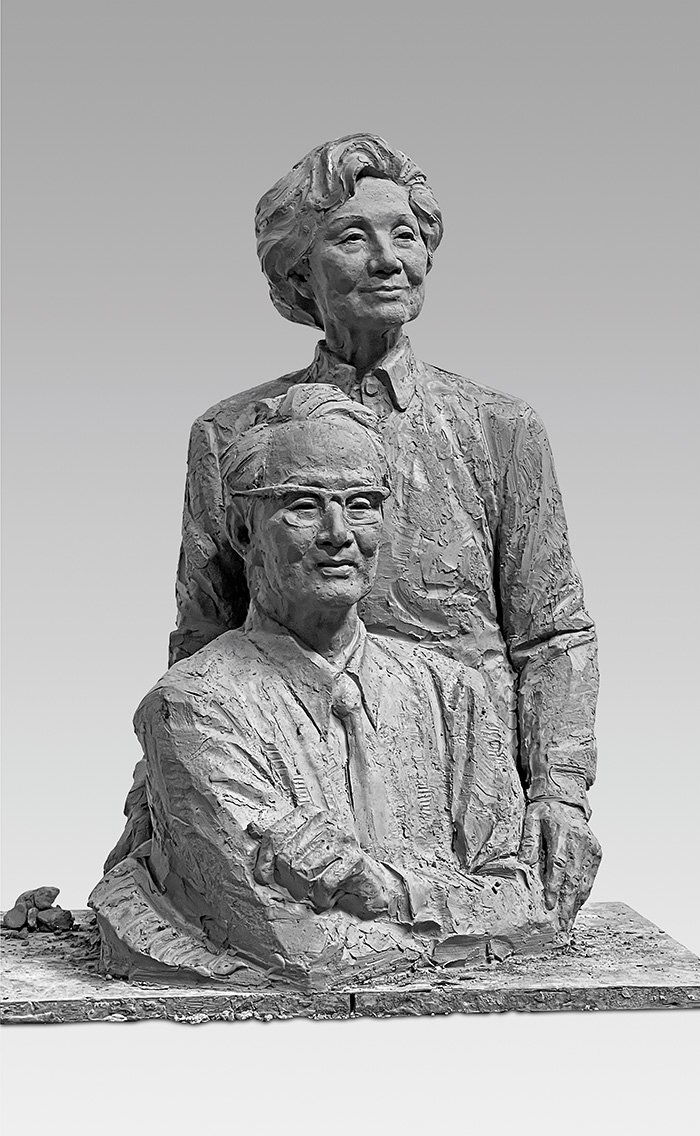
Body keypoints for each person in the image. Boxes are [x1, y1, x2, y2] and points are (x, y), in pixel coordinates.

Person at [169, 134, 602, 921]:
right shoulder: (230, 432)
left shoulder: (497, 428)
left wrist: (559, 794)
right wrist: (161, 806)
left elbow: (554, 632)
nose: (387, 259)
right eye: (352, 237)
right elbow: (205, 633)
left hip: (465, 801)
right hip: (295, 771)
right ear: (298, 272)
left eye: (405, 234)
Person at [90, 389, 567, 989]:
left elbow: (528, 898)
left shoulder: (453, 694)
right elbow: (296, 944)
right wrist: (461, 909)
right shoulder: (192, 709)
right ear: (243, 530)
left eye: (362, 504)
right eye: (304, 506)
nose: (339, 533)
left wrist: (388, 892)